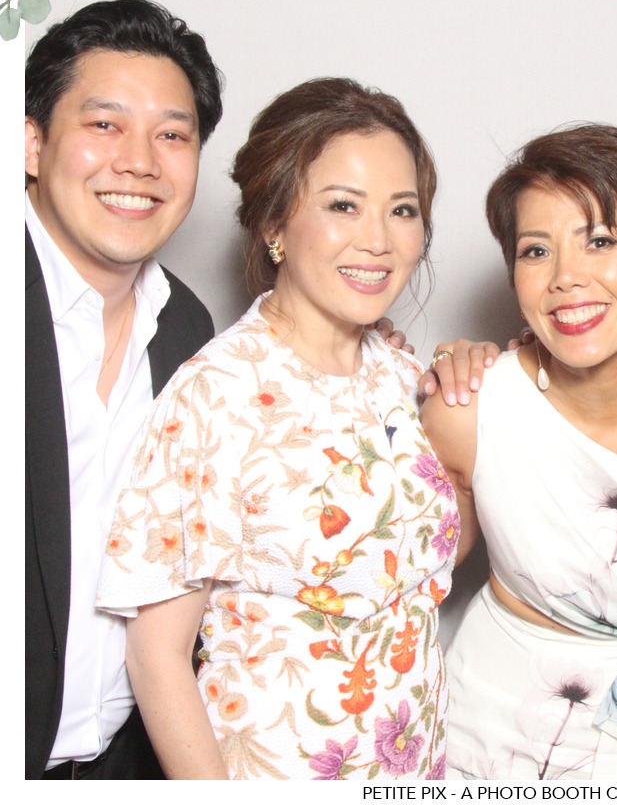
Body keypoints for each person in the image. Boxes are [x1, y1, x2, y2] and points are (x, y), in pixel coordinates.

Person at [96, 77, 458, 780]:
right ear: (273, 225)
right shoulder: (216, 394)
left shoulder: (396, 369)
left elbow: (406, 565)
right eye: (343, 205)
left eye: (402, 210)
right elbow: (155, 657)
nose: (378, 240)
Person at [420, 124, 617, 780]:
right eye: (536, 251)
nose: (566, 278)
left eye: (599, 241)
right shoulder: (468, 412)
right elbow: (397, 585)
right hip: (507, 748)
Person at [25, 0, 224, 779]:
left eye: (172, 135)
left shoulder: (190, 331)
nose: (140, 161)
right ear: (31, 142)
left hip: (124, 767)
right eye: (105, 124)